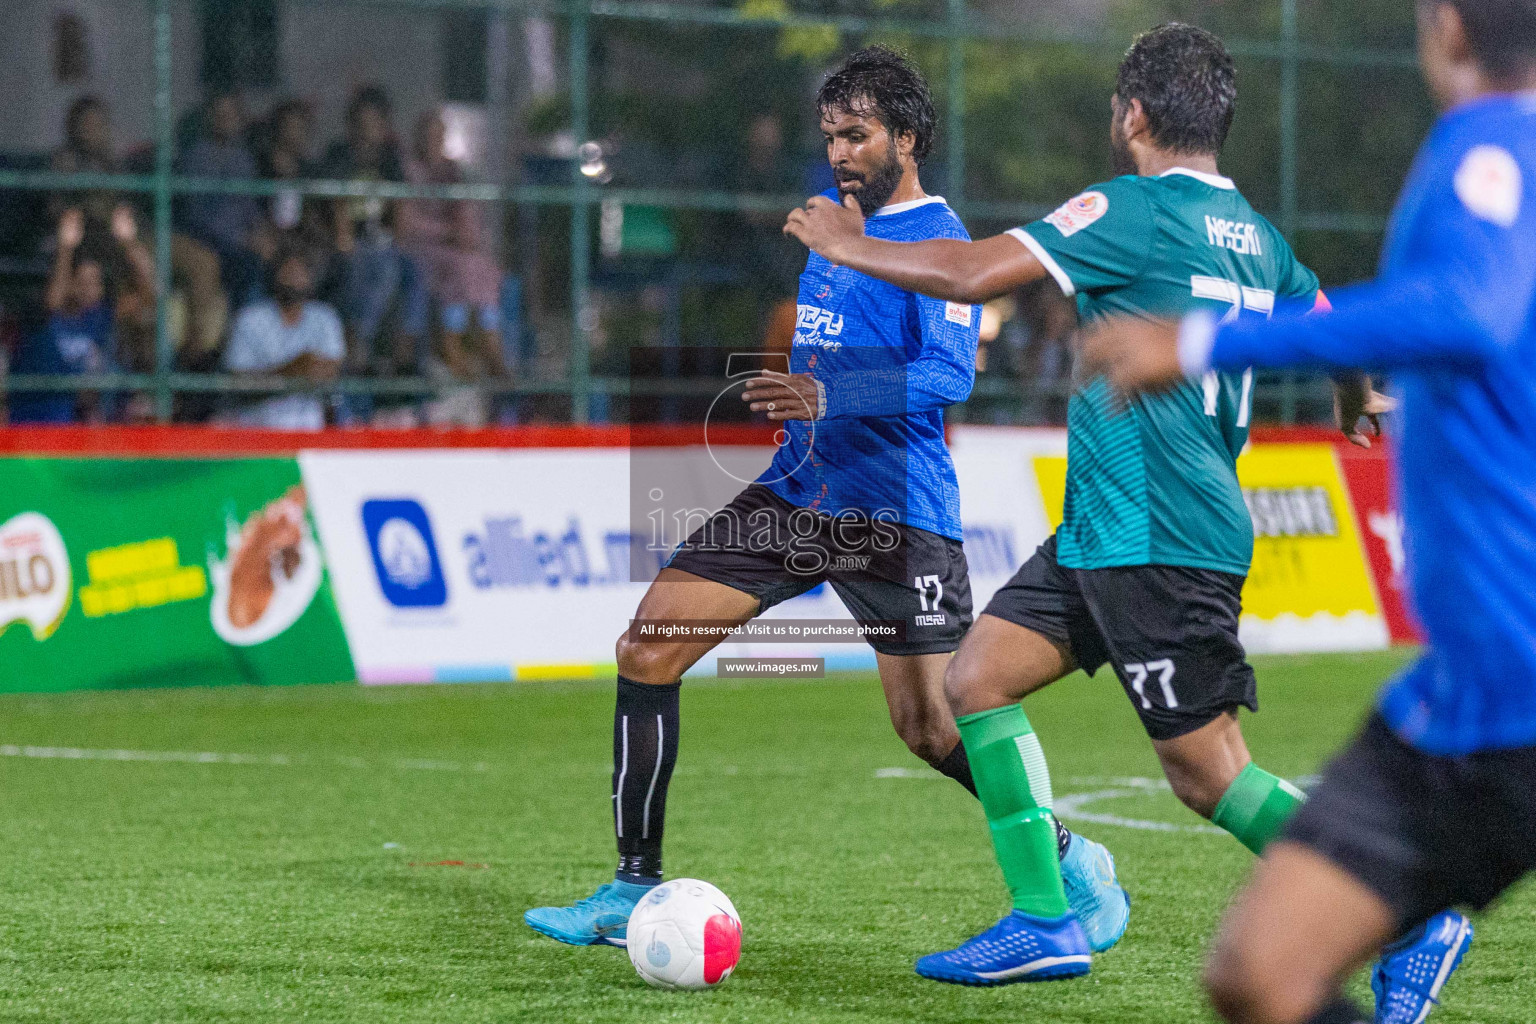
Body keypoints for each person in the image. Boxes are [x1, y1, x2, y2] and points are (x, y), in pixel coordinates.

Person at [784, 23, 1445, 996]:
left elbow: (970, 274)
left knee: (1209, 774)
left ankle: (1409, 919)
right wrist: (1352, 398)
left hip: (1163, 533)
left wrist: (851, 242)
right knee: (976, 680)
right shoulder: (1255, 235)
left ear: (1131, 115)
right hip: (1106, 523)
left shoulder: (1127, 209)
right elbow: (1327, 321)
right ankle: (1047, 916)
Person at [1079, 3, 1536, 1022]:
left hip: (1512, 690)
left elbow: (1466, 306)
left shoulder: (1489, 148)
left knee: (1264, 970)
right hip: (1469, 693)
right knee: (1258, 971)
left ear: (1446, 28)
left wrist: (1203, 344)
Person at [523, 46, 1002, 947]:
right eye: (831, 136)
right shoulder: (832, 229)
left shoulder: (946, 247)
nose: (840, 153)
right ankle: (632, 886)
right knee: (647, 647)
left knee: (931, 729)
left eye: (858, 135)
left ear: (908, 136)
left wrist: (832, 395)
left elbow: (946, 373)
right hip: (794, 492)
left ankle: (1057, 851)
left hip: (894, 513)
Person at [320, 86, 429, 379]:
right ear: (351, 125)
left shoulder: (389, 159)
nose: (369, 131)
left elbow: (399, 207)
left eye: (375, 123)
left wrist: (396, 239)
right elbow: (336, 205)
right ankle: (359, 340)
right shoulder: (338, 155)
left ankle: (405, 348)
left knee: (413, 271)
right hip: (348, 244)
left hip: (382, 243)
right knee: (382, 270)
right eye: (363, 123)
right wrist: (345, 239)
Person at [11, 207, 151, 423]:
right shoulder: (45, 314)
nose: (88, 289)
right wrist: (66, 249)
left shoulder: (102, 315)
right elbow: (54, 302)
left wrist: (130, 243)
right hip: (41, 420)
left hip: (87, 423)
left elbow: (151, 294)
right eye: (81, 282)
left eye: (94, 282)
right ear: (70, 281)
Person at [398, 111, 508, 380]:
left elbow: (467, 213)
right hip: (421, 246)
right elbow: (406, 223)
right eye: (428, 136)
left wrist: (465, 233)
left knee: (479, 265)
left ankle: (490, 344)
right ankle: (452, 345)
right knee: (459, 267)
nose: (433, 142)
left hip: (454, 247)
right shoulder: (407, 170)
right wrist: (448, 233)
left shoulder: (453, 171)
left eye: (439, 136)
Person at [222, 249, 343, 430]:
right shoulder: (250, 318)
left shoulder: (324, 317)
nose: (294, 279)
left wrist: (302, 370)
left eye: (300, 272)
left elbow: (330, 371)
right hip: (257, 431)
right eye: (288, 272)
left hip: (310, 431)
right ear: (275, 275)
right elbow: (239, 384)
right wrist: (294, 369)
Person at [177, 91, 266, 316]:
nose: (226, 120)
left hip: (244, 241)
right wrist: (242, 239)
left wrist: (262, 232)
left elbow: (249, 206)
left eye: (232, 114)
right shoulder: (197, 157)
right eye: (220, 114)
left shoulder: (243, 158)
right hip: (209, 241)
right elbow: (199, 215)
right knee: (248, 268)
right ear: (209, 118)